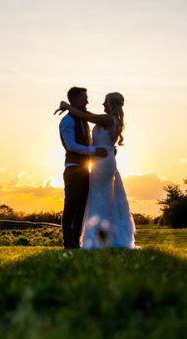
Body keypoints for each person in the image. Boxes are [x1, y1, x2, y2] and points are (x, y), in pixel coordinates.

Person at [56, 92, 137, 249]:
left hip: (103, 162)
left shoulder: (108, 119)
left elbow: (86, 116)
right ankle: (98, 236)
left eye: (105, 102)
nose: (103, 104)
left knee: (101, 197)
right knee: (97, 196)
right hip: (99, 162)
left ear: (112, 104)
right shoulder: (108, 120)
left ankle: (101, 238)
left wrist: (67, 106)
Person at [57, 87, 109, 249]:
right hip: (73, 169)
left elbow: (88, 142)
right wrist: (95, 151)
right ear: (74, 100)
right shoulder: (67, 121)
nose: (87, 101)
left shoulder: (83, 120)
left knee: (81, 209)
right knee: (71, 207)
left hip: (85, 169)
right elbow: (71, 146)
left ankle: (76, 243)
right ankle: (68, 244)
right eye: (83, 98)